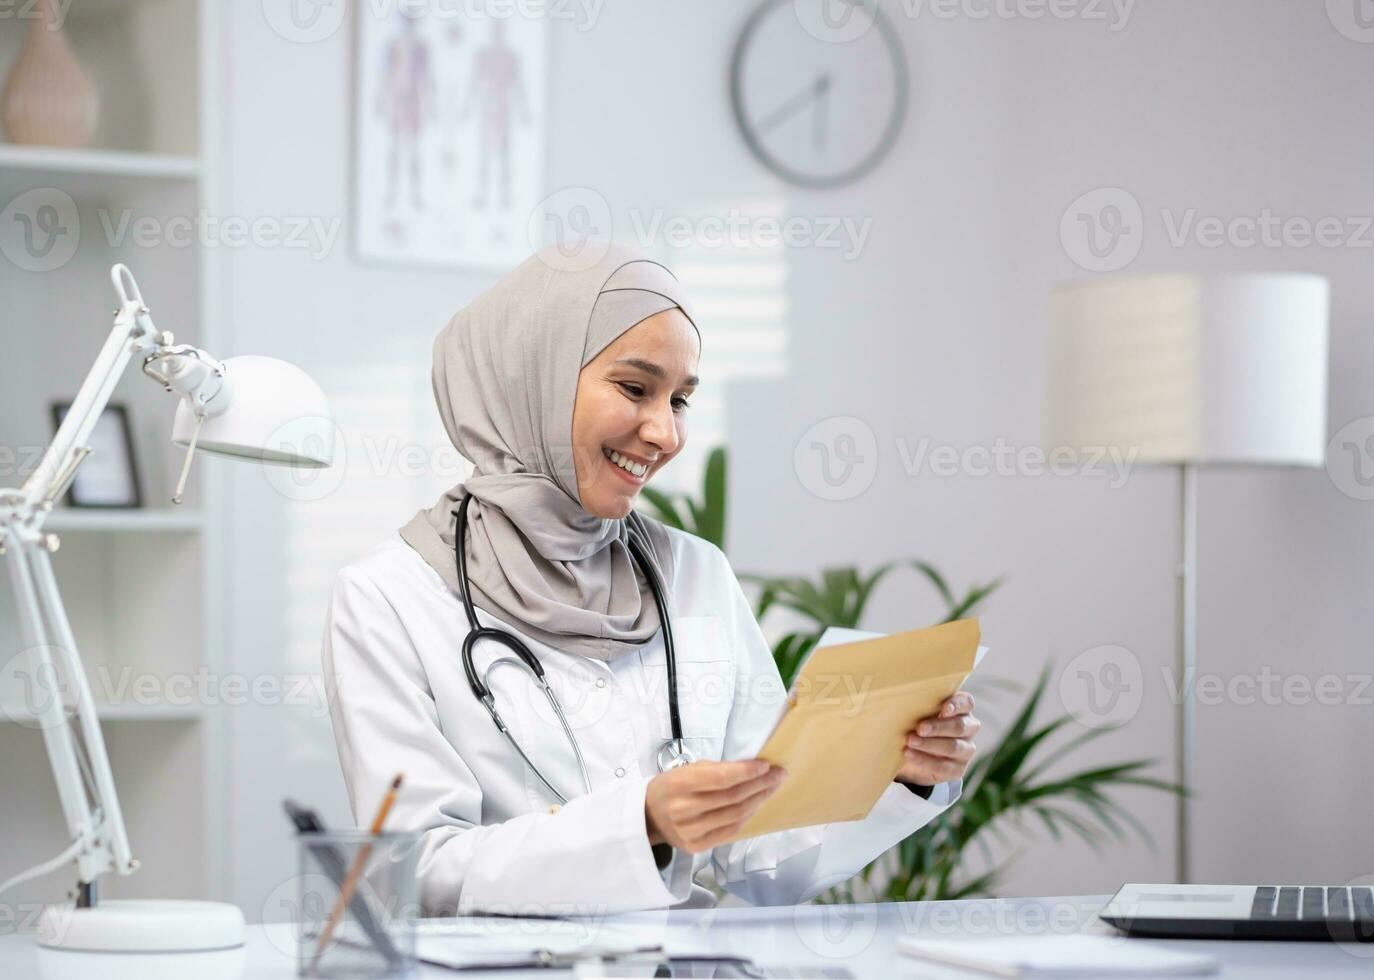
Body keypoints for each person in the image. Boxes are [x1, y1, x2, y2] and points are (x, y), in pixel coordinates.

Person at [321, 244, 981, 916]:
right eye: (635, 388)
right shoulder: (387, 596)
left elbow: (762, 860)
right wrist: (640, 826)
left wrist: (895, 775)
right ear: (532, 380)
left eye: (681, 399)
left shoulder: (696, 575)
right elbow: (414, 872)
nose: (664, 433)